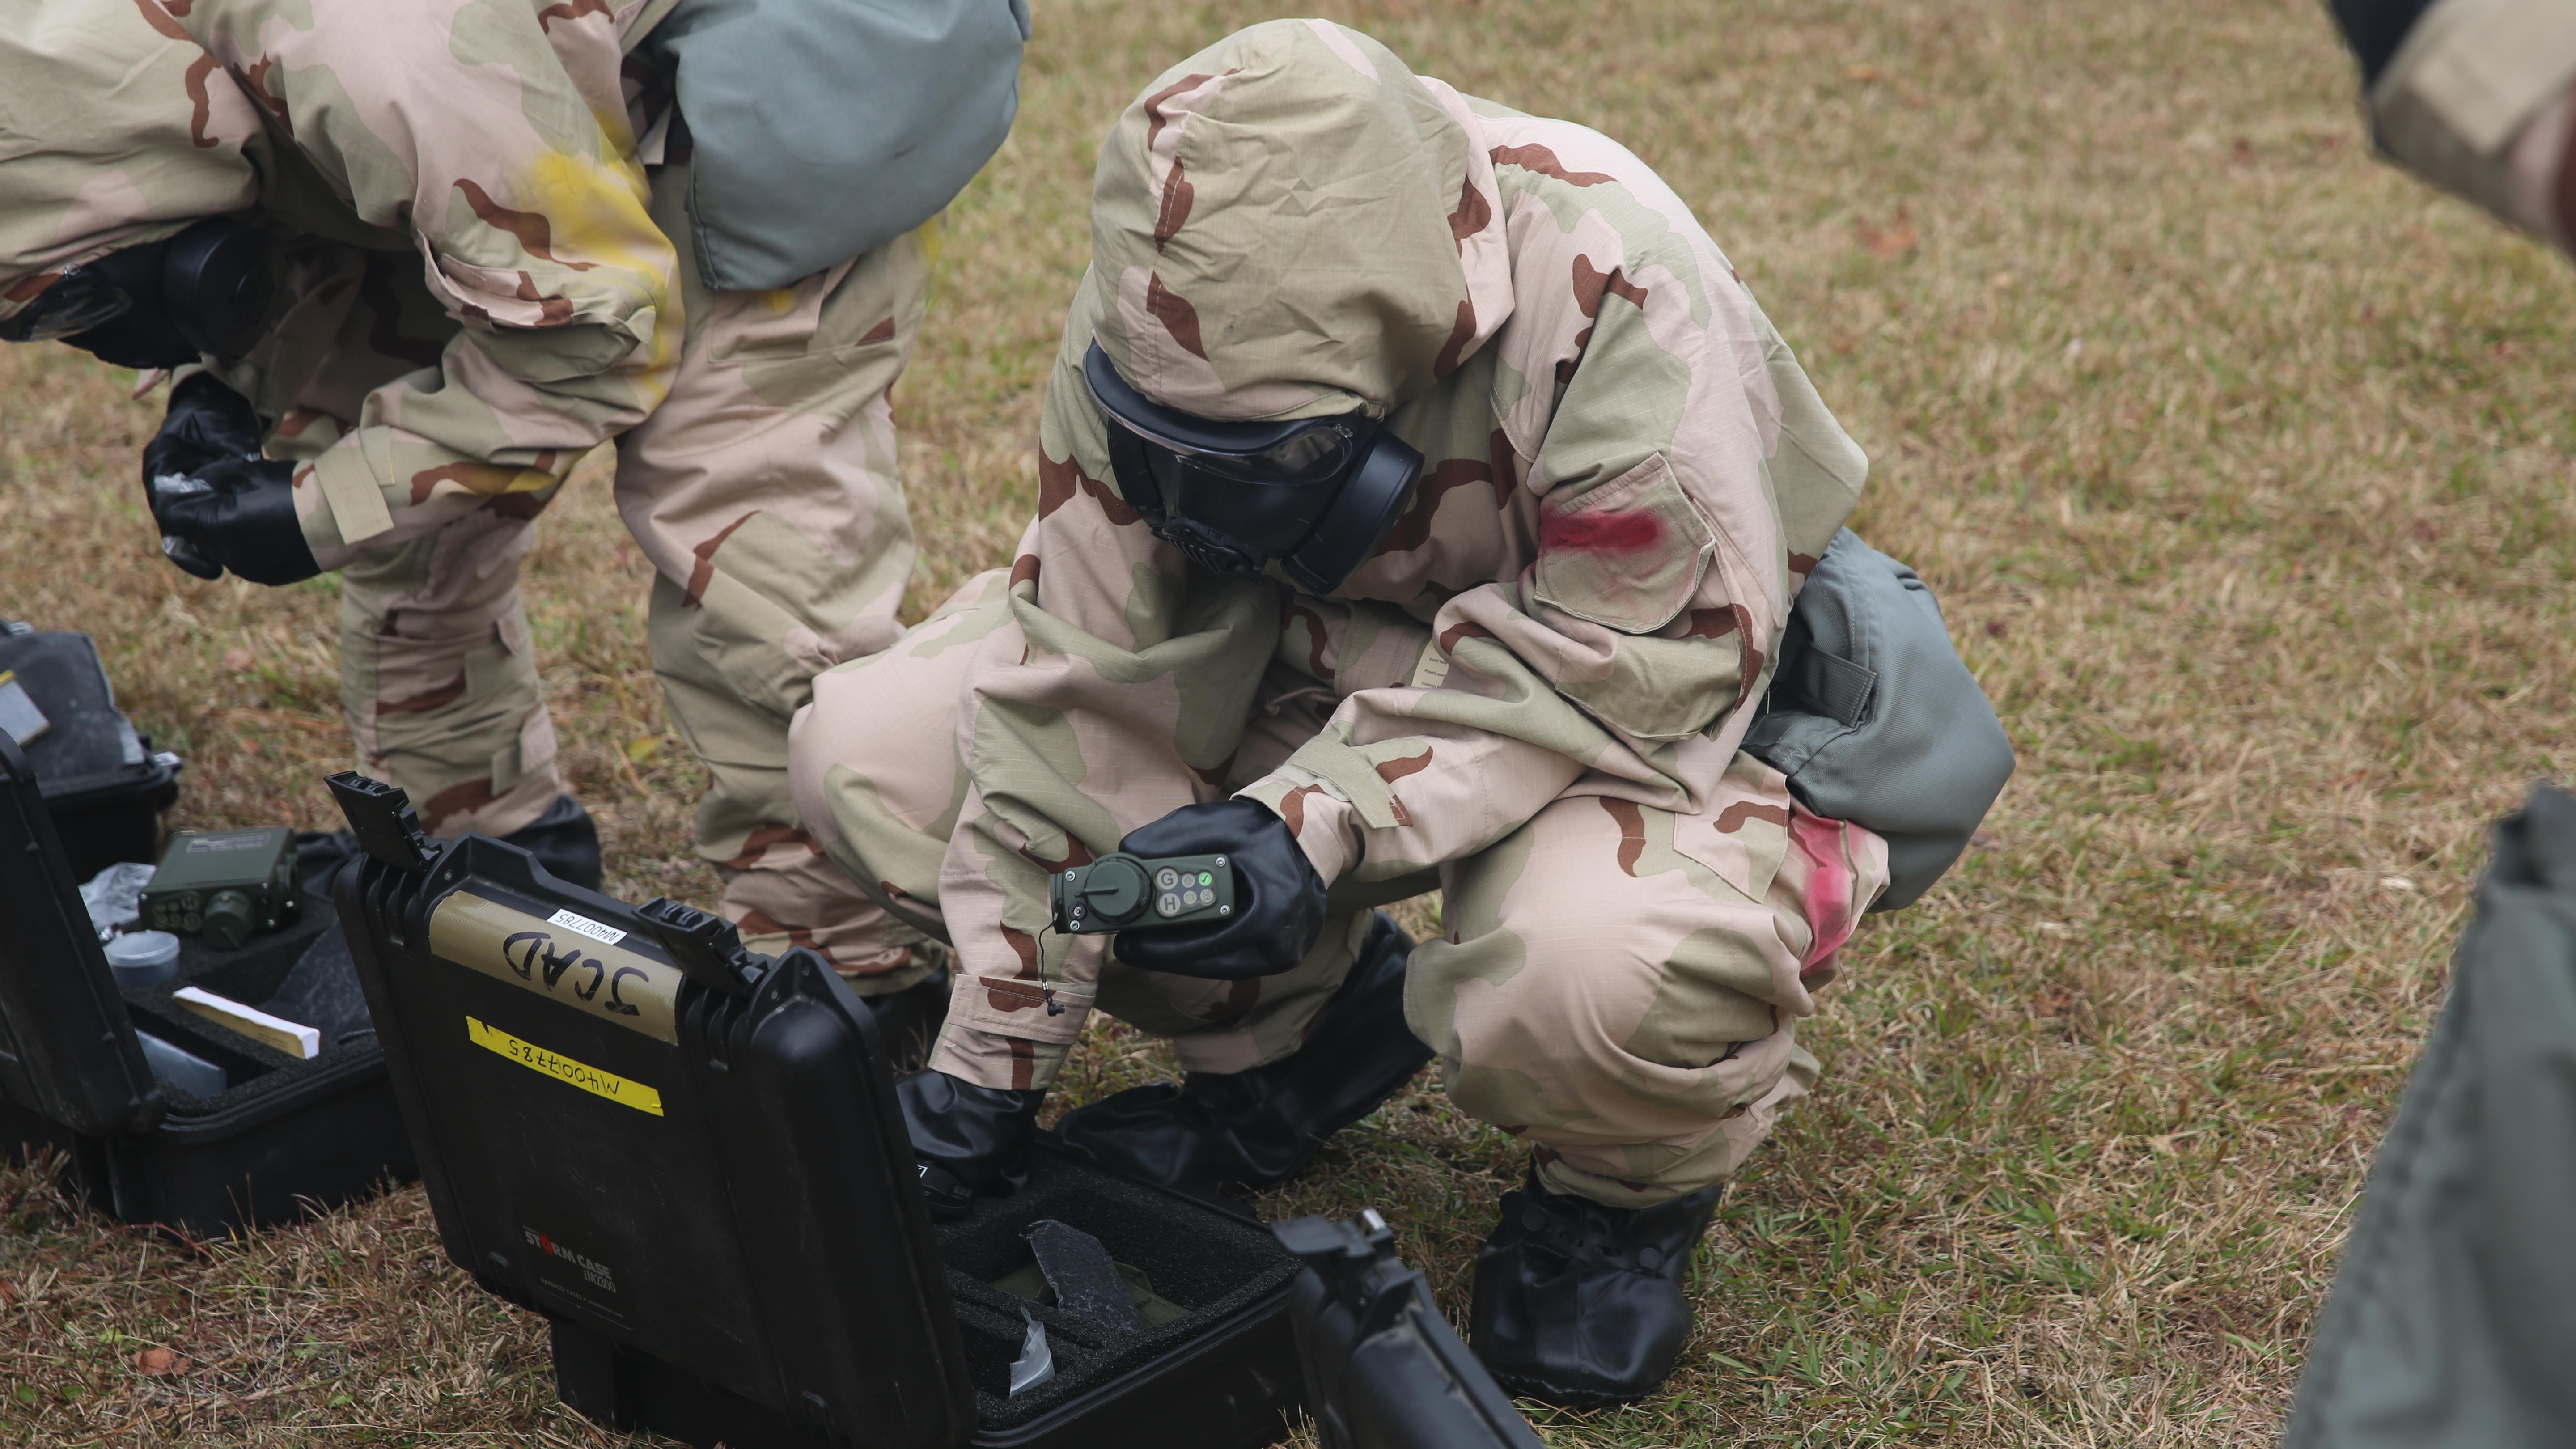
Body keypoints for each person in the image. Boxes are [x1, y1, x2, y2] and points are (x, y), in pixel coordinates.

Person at [788, 20, 1893, 1405]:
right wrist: (982, 1083)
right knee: (878, 756)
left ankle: (1616, 1200)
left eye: (1270, 457)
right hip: (1309, 653)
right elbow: (1076, 691)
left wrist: (1307, 824)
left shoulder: (1617, 289)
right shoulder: (1159, 316)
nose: (1197, 487)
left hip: (1624, 696)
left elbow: (1631, 663)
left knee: (1596, 963)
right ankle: (1291, 1050)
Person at [0, 0, 1025, 995]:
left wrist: (323, 508)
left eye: (82, 301)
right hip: (505, 102)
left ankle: (845, 979)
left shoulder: (380, 48)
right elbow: (310, 178)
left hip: (767, 75)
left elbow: (593, 344)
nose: (89, 345)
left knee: (749, 552)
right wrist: (226, 393)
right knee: (407, 511)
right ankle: (489, 866)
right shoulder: (109, 64)